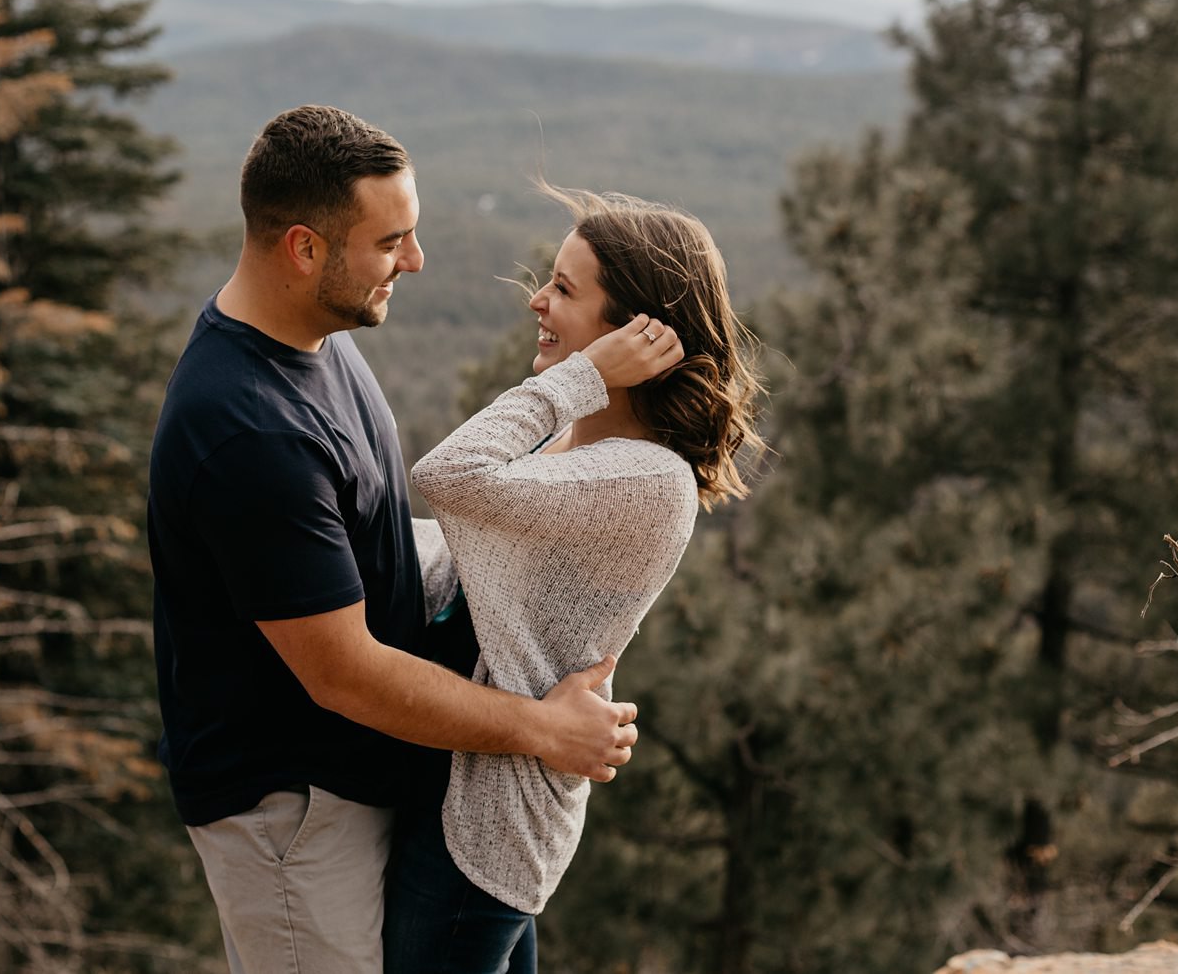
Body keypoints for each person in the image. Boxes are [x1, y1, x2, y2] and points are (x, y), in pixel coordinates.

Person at [146, 107, 641, 974]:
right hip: (293, 819)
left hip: (351, 786)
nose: (414, 261)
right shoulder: (247, 432)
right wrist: (540, 729)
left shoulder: (314, 340)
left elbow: (363, 541)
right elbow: (344, 672)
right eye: (392, 242)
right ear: (304, 248)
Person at [384, 185, 766, 973]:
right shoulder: (576, 446)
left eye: (563, 287)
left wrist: (580, 375)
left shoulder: (644, 477)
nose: (537, 299)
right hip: (470, 789)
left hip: (482, 828)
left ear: (631, 333)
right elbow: (469, 562)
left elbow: (446, 473)